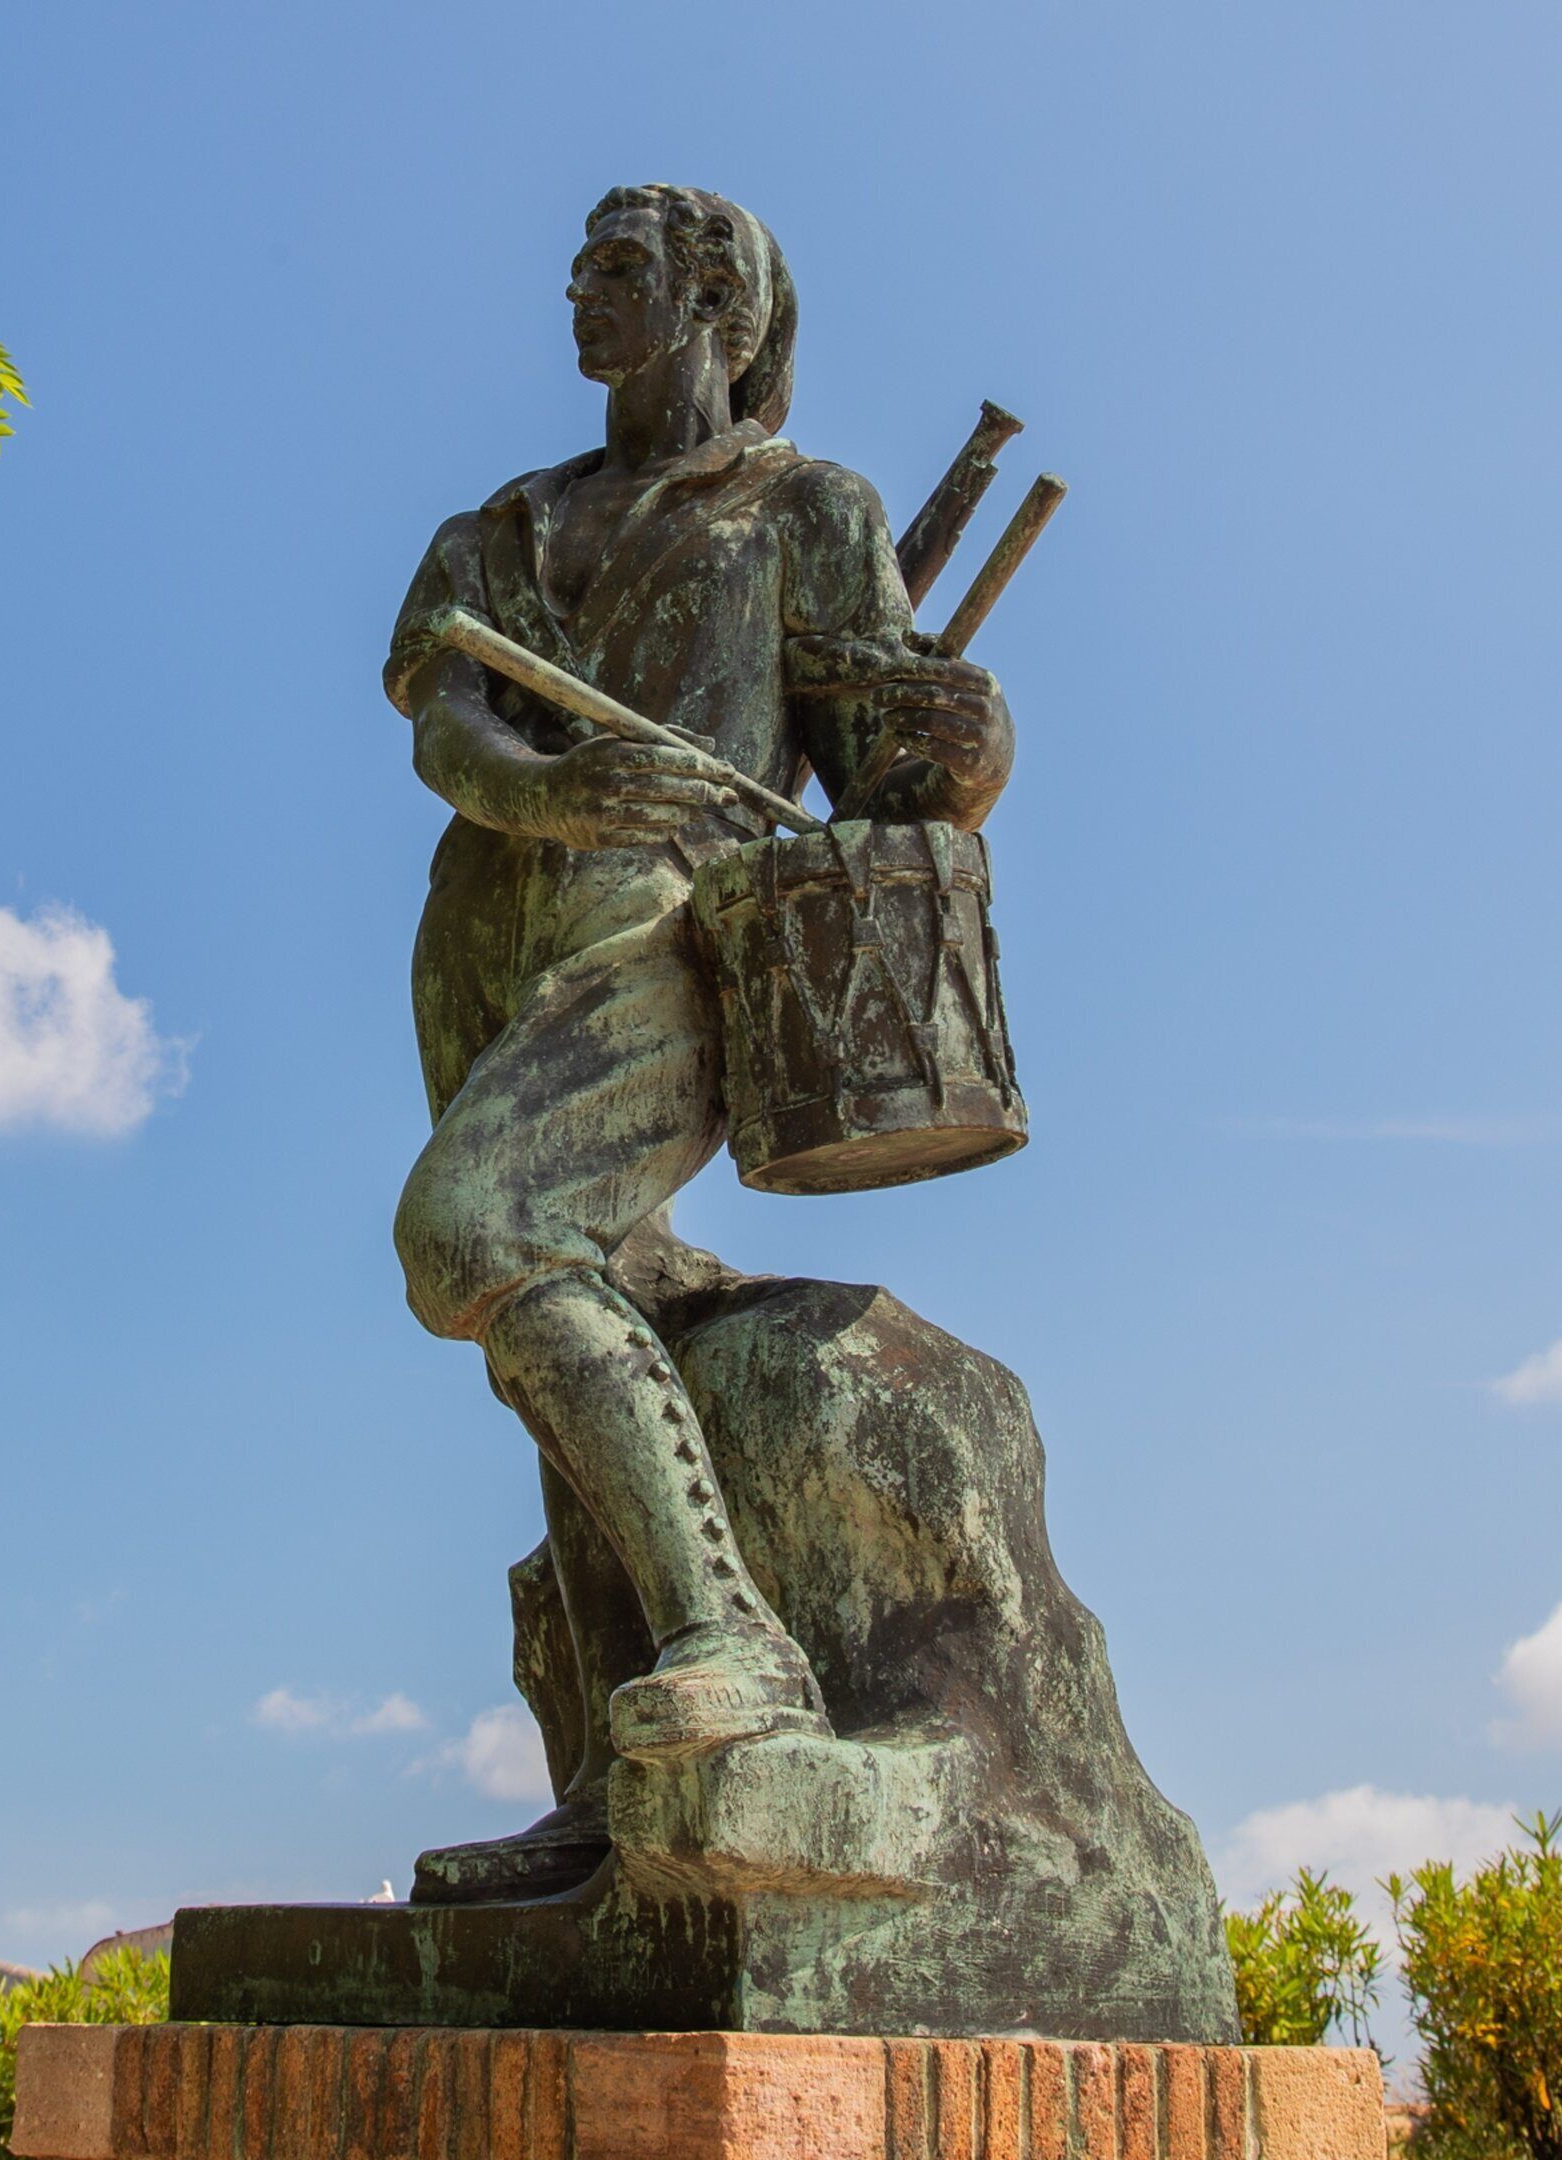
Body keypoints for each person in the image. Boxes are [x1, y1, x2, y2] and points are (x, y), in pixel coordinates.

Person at [381, 184, 1014, 1890]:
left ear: (721, 308)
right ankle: (608, 1792)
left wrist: (967, 748)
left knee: (478, 1231)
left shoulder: (807, 509)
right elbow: (445, 721)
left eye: (623, 271)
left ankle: (739, 1644)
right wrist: (547, 787)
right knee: (554, 1324)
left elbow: (883, 760)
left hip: (667, 928)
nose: (582, 292)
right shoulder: (499, 527)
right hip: (486, 927)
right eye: (579, 265)